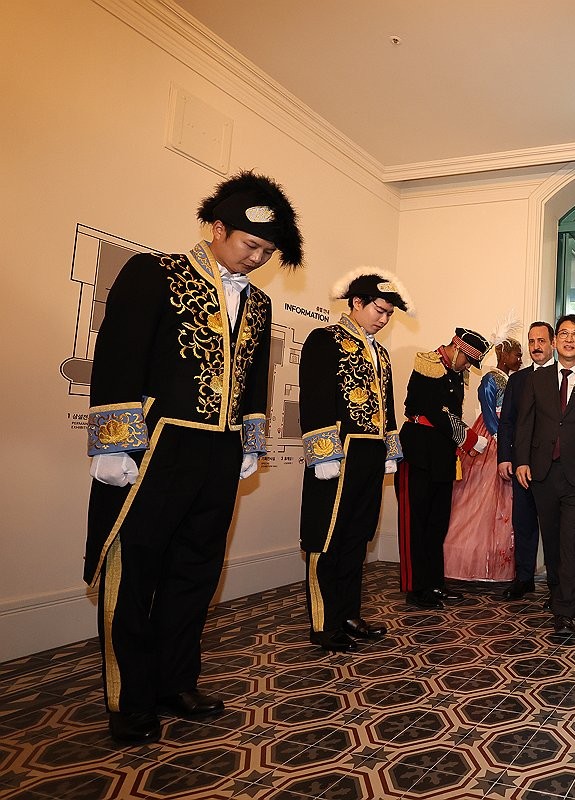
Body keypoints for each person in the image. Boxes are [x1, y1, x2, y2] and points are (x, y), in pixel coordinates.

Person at [85, 171, 302, 743]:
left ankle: (175, 680)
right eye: (249, 245)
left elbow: (256, 378)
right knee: (134, 570)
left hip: (220, 448)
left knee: (197, 568)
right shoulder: (154, 273)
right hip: (157, 443)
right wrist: (113, 440)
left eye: (267, 252)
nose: (257, 258)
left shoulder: (258, 304)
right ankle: (128, 699)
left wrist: (249, 442)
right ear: (216, 227)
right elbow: (119, 356)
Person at [299, 269, 410, 652]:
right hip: (337, 452)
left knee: (356, 536)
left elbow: (388, 406)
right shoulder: (324, 339)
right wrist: (323, 451)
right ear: (356, 303)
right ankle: (322, 622)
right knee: (326, 536)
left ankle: (348, 613)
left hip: (370, 453)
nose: (383, 318)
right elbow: (314, 399)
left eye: (389, 313)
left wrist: (390, 450)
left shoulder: (380, 353)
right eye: (379, 309)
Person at [515, 315, 575, 636]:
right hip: (542, 472)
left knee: (570, 541)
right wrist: (521, 461)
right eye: (564, 334)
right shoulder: (536, 381)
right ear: (555, 342)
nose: (570, 340)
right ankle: (557, 591)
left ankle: (566, 608)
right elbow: (525, 423)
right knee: (552, 540)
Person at [396, 327, 491, 609]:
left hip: (441, 454)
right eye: (467, 361)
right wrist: (469, 437)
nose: (467, 368)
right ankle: (415, 587)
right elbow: (435, 412)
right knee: (415, 523)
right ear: (458, 349)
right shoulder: (428, 364)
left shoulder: (455, 374)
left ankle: (435, 583)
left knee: (437, 524)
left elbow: (452, 415)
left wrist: (460, 443)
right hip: (419, 450)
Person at [444, 321, 523, 582]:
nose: (519, 358)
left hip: (506, 433)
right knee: (479, 496)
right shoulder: (491, 378)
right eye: (516, 353)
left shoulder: (511, 380)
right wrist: (498, 435)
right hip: (492, 435)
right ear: (502, 354)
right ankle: (472, 559)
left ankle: (498, 560)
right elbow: (488, 407)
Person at [497, 322, 555, 601]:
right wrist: (505, 457)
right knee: (523, 523)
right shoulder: (518, 380)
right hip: (522, 466)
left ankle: (558, 586)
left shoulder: (562, 377)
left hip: (554, 469)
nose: (536, 346)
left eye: (541, 340)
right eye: (531, 341)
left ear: (552, 343)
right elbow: (506, 422)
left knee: (555, 527)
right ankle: (524, 578)